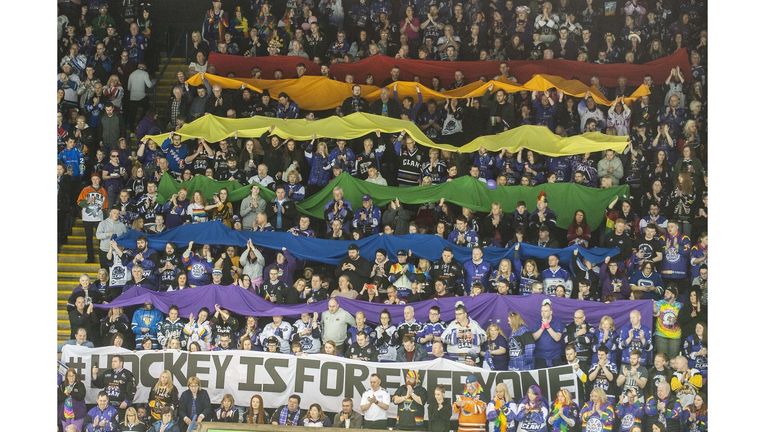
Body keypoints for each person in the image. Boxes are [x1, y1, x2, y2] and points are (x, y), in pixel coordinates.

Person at [532, 299, 564, 368]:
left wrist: (548, 326)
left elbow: (557, 338)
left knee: (554, 378)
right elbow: (533, 338)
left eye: (546, 311)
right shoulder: (537, 321)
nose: (543, 313)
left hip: (554, 357)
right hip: (540, 357)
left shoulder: (557, 321)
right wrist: (542, 328)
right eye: (542, 311)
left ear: (551, 312)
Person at [654, 286, 683, 359]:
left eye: (667, 292)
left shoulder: (680, 305)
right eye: (665, 292)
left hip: (675, 336)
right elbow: (655, 311)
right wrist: (653, 304)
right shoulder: (660, 303)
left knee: (673, 360)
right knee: (662, 359)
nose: (665, 294)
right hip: (661, 335)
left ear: (673, 295)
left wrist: (677, 319)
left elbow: (684, 317)